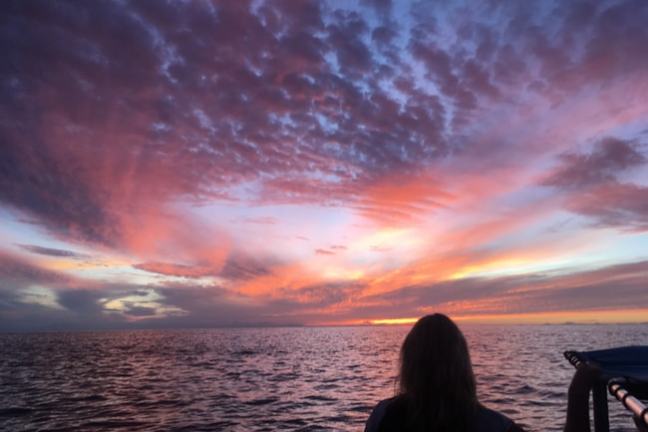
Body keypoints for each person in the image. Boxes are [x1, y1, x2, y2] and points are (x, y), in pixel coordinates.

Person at [364, 313, 606, 432]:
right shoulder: (495, 427)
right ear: (463, 365)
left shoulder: (383, 417)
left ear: (408, 365)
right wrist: (578, 391)